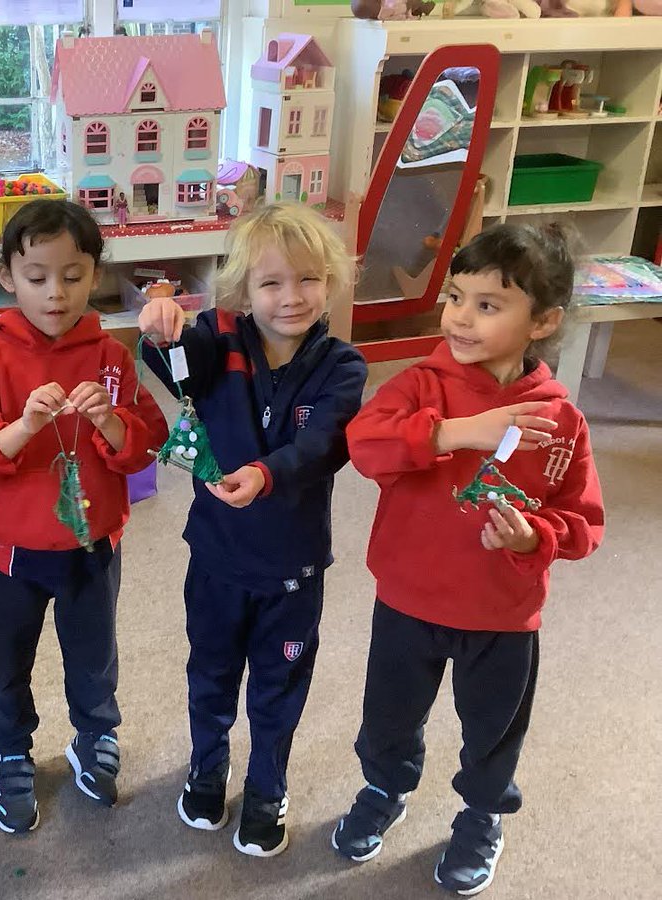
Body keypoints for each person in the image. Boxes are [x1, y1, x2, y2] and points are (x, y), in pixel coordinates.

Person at [332, 223, 605, 896]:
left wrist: (532, 538)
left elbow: (584, 524)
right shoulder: (423, 385)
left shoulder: (560, 421)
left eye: (489, 305)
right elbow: (365, 447)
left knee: (493, 728)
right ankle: (384, 787)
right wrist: (458, 432)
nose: (460, 316)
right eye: (457, 297)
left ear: (543, 322)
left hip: (503, 613)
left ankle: (482, 814)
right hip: (407, 598)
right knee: (389, 717)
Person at [138, 202, 367, 858]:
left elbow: (324, 444)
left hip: (292, 567)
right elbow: (177, 357)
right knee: (209, 672)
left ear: (331, 281)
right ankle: (207, 765)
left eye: (307, 279)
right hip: (215, 557)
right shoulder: (217, 336)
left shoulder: (342, 366)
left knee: (278, 684)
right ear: (242, 291)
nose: (291, 297)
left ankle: (268, 783)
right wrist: (161, 328)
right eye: (271, 283)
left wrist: (265, 476)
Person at [0, 199, 168, 833]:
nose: (56, 292)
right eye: (37, 276)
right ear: (7, 277)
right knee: (7, 659)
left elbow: (143, 450)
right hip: (12, 553)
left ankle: (93, 735)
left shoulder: (113, 358)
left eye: (73, 276)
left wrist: (108, 419)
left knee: (95, 655)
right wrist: (23, 426)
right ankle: (11, 750)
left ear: (94, 275)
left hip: (93, 547)